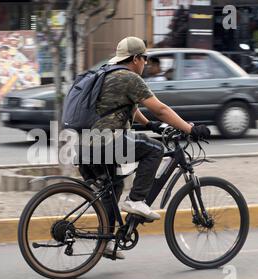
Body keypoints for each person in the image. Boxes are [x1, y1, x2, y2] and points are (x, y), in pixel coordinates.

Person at [78, 37, 210, 260]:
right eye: (145, 58)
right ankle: (136, 200)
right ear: (136, 58)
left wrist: (150, 125)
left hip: (86, 145)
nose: (146, 63)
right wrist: (189, 129)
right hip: (106, 141)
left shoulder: (107, 74)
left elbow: (124, 108)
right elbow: (160, 108)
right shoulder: (129, 78)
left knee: (113, 188)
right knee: (155, 149)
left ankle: (106, 240)